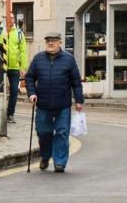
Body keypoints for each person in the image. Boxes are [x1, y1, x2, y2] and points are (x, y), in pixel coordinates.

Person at [22, 32, 85, 173]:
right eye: (48, 41)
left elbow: (76, 82)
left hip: (63, 104)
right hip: (43, 104)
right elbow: (30, 77)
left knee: (62, 133)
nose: (50, 43)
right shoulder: (38, 59)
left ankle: (60, 162)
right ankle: (45, 156)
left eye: (54, 41)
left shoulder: (69, 59)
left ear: (60, 43)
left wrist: (79, 100)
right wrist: (31, 93)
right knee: (43, 132)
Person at [0, 21, 28, 121]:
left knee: (14, 91)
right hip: (1, 66)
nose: (10, 19)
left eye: (12, 17)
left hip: (14, 67)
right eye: (9, 17)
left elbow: (23, 51)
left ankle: (10, 113)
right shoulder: (0, 32)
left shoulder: (19, 34)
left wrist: (23, 67)